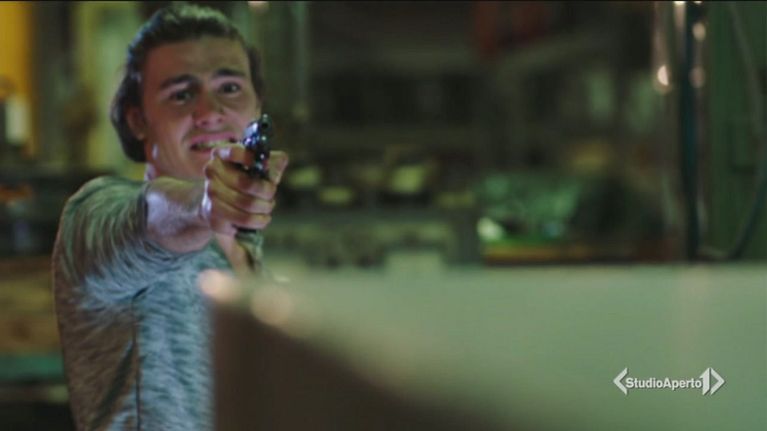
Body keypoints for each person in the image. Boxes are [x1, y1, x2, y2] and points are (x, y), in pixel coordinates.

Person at [52, 4, 288, 430]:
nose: (210, 111)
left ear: (257, 105)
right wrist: (205, 205)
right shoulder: (94, 214)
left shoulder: (243, 245)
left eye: (230, 87)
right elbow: (155, 215)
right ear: (138, 120)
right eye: (181, 94)